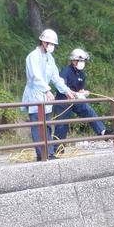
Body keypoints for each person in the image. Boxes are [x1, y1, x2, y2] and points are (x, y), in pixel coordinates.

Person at [22, 28, 75, 161]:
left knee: (46, 125)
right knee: (37, 125)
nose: (52, 46)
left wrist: (66, 90)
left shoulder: (49, 58)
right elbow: (35, 77)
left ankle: (50, 153)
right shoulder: (32, 56)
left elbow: (55, 77)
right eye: (50, 44)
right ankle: (41, 154)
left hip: (46, 95)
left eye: (53, 44)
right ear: (43, 43)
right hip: (35, 93)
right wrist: (46, 90)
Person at [53, 48, 108, 141]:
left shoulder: (82, 74)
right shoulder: (65, 71)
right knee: (62, 125)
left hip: (75, 100)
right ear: (74, 61)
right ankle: (57, 148)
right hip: (63, 101)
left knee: (88, 110)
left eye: (83, 61)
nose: (82, 63)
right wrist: (75, 93)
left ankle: (102, 131)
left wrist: (83, 93)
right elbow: (62, 87)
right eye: (80, 61)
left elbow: (80, 89)